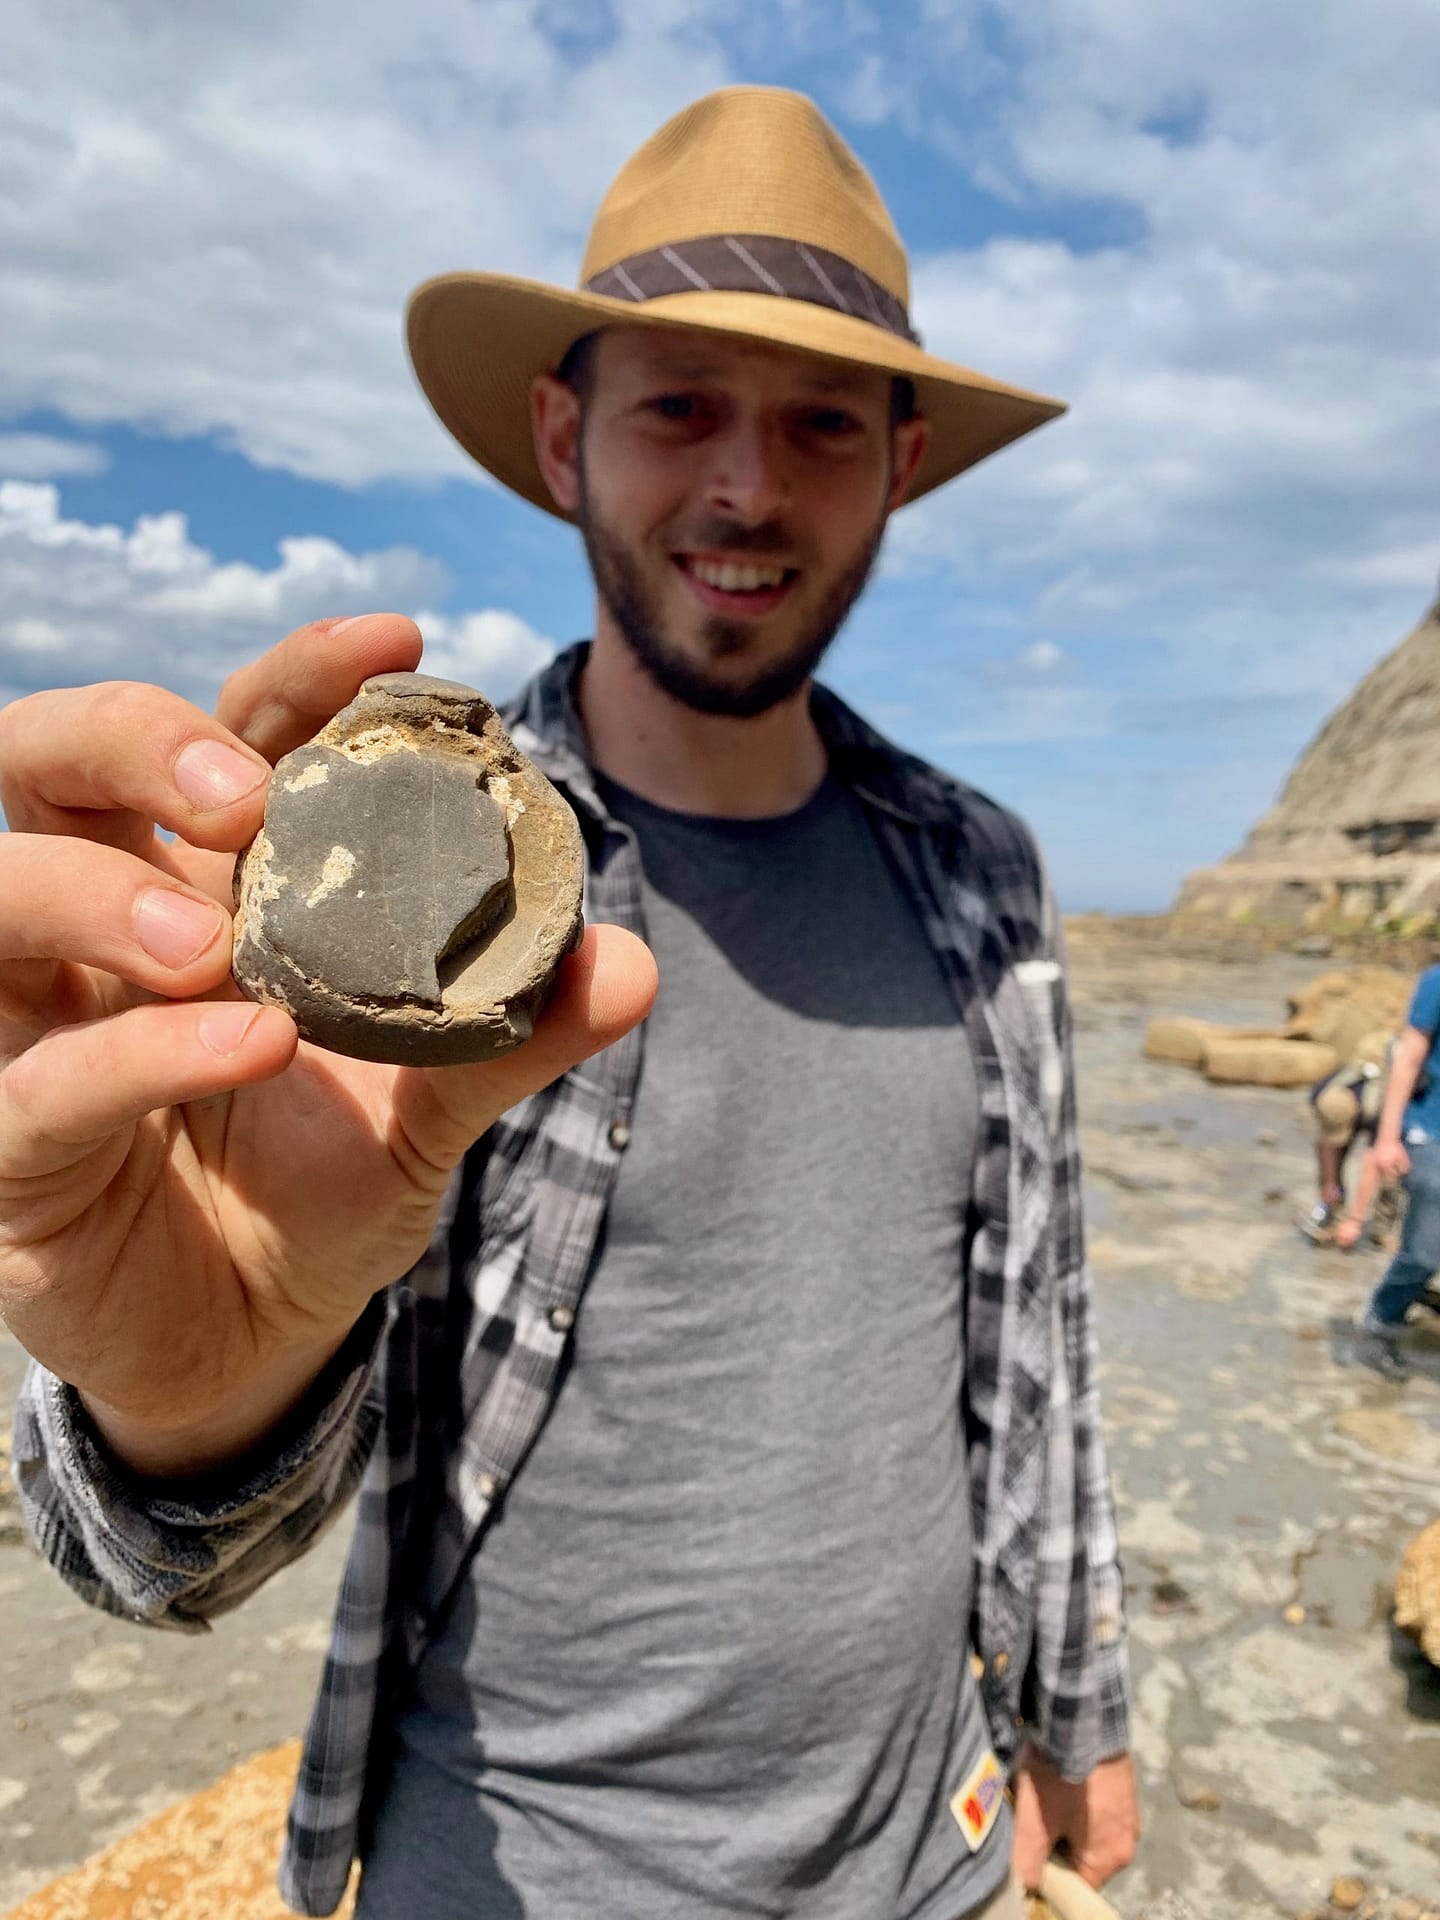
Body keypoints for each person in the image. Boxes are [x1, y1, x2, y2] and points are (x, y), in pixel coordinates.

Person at [7, 87, 1136, 1920]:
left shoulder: (981, 873)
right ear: (561, 434)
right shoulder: (384, 889)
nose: (751, 487)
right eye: (679, 404)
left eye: (823, 425)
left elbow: (1039, 1347)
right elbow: (154, 1570)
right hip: (510, 1867)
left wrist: (1084, 1708)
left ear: (902, 463)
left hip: (931, 1851)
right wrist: (185, 1403)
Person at [1360, 962, 1440, 1377]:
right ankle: (1381, 1321)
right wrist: (1387, 1138)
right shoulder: (1436, 981)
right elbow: (1408, 1057)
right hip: (1430, 1128)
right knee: (1427, 1243)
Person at [1297, 1030, 1398, 1247]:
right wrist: (1329, 1184)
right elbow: (1325, 1142)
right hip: (1350, 1100)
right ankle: (1332, 1216)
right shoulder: (1324, 1092)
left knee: (1391, 1171)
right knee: (1332, 1168)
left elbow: (1373, 1163)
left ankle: (1383, 1228)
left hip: (1382, 1108)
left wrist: (1355, 1221)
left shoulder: (1380, 1107)